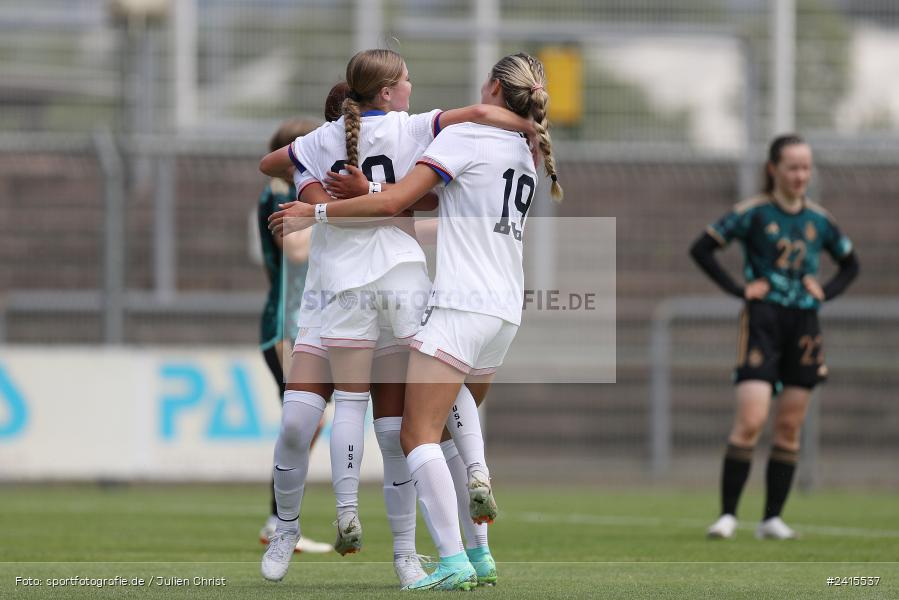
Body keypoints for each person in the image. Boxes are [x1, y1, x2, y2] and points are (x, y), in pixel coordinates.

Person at [269, 51, 562, 591]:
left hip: (459, 306)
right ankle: (481, 554)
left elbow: (395, 204)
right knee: (456, 425)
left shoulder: (464, 139)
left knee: (416, 434)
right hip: (506, 310)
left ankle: (448, 560)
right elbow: (420, 206)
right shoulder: (527, 149)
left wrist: (317, 209)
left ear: (495, 88)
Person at [689, 134, 859, 540]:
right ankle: (728, 515)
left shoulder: (819, 220)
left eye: (806, 167)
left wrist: (826, 291)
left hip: (804, 326)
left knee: (789, 426)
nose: (801, 175)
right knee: (751, 419)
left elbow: (851, 264)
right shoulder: (752, 213)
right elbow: (702, 248)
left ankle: (772, 519)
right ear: (774, 169)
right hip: (763, 320)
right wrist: (739, 289)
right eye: (793, 167)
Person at [256, 118, 332, 555]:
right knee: (303, 419)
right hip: (284, 322)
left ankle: (279, 519)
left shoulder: (288, 194)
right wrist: (336, 216)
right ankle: (280, 520)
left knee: (304, 419)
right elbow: (296, 249)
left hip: (296, 319)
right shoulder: (280, 194)